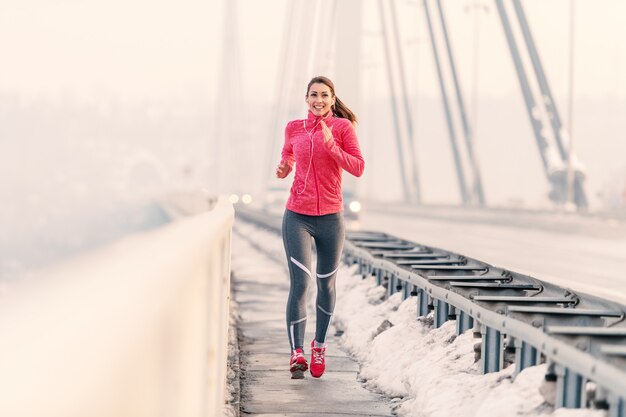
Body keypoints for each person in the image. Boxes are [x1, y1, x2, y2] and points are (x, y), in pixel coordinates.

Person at [275, 76, 364, 379]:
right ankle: (296, 351)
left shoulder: (342, 128)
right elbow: (287, 153)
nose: (319, 100)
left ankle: (319, 345)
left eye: (324, 95)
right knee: (300, 283)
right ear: (306, 98)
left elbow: (358, 167)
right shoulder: (294, 128)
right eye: (314, 95)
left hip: (330, 218)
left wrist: (332, 146)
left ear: (332, 98)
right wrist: (285, 166)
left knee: (326, 285)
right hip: (296, 215)